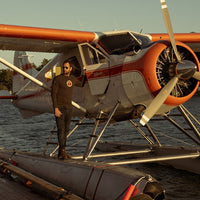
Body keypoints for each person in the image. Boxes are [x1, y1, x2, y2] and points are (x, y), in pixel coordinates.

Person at [51, 59, 86, 159]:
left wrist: (84, 72)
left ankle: (61, 152)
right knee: (61, 130)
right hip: (60, 108)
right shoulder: (58, 79)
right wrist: (55, 108)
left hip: (69, 108)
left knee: (66, 130)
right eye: (63, 67)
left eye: (66, 67)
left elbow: (82, 84)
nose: (64, 69)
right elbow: (53, 94)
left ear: (70, 69)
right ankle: (62, 152)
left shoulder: (72, 79)